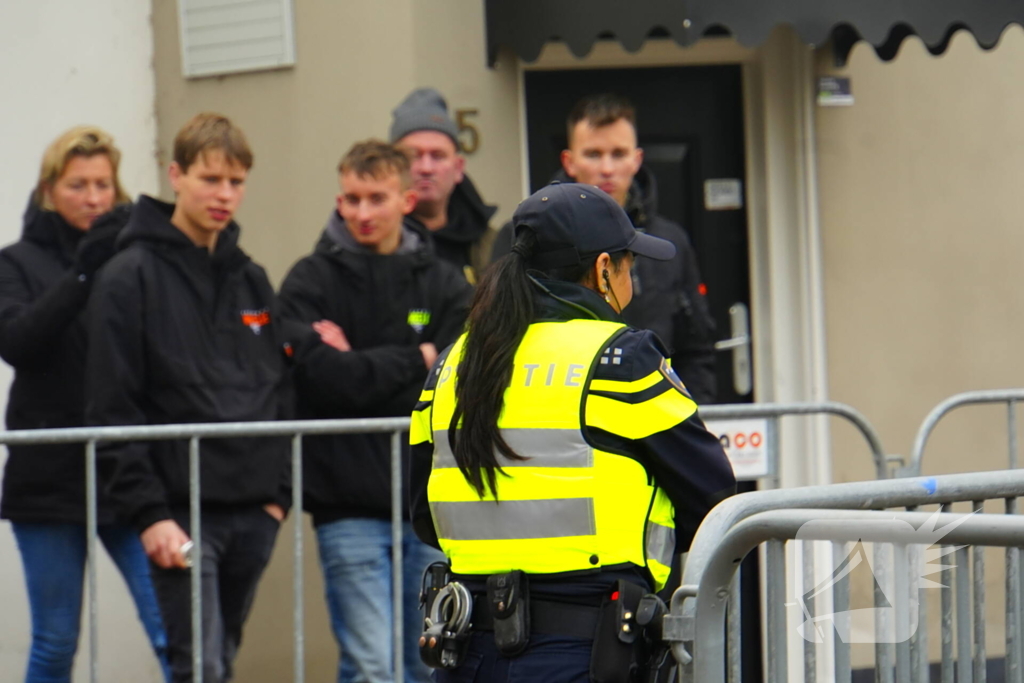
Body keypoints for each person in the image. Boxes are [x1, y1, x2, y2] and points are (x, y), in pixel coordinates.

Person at [409, 182, 736, 682]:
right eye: (630, 265)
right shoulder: (620, 359)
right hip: (584, 648)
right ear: (604, 269)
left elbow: (424, 512)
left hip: (469, 647)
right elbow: (712, 491)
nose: (632, 279)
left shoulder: (452, 364)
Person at [86, 113, 292, 683]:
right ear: (176, 176)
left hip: (253, 512)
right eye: (210, 179)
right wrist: (150, 514)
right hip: (178, 512)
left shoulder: (252, 279)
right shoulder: (128, 276)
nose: (224, 195)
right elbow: (111, 404)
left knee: (219, 659)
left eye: (236, 181)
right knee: (197, 666)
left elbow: (282, 387)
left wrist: (278, 498)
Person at [279, 140, 472, 683]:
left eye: (376, 198)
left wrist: (355, 363)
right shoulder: (309, 279)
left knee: (425, 661)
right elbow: (318, 379)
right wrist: (417, 358)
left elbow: (454, 375)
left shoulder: (443, 280)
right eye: (351, 199)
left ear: (407, 199)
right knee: (371, 666)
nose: (362, 212)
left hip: (426, 504)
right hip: (346, 503)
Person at [0, 126, 170, 683]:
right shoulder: (16, 262)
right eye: (78, 185)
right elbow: (19, 342)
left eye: (103, 184)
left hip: (126, 474)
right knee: (55, 641)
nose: (94, 198)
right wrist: (82, 271)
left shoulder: (133, 261)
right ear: (49, 189)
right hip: (47, 479)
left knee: (171, 631)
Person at [491, 94, 718, 403]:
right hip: (561, 408)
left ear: (636, 160)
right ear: (569, 162)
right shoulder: (523, 236)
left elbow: (696, 345)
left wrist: (690, 414)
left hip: (655, 408)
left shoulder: (670, 241)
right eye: (594, 154)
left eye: (618, 153)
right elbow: (496, 332)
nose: (607, 168)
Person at [389, 87, 497, 283]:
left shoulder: (490, 246)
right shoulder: (370, 240)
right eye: (413, 155)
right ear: (392, 165)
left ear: (458, 168)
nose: (426, 168)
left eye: (437, 156)